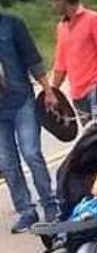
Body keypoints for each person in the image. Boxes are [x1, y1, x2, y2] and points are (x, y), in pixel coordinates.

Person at [0, 12, 59, 233]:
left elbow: (32, 58)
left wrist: (48, 90)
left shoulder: (11, 24)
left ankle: (51, 204)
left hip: (21, 99)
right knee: (7, 162)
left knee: (31, 153)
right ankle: (26, 210)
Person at [49, 0, 97, 118]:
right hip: (77, 91)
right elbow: (60, 64)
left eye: (54, 1)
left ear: (63, 0)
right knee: (88, 135)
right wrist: (53, 92)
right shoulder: (61, 27)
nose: (53, 6)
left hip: (96, 86)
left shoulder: (94, 20)